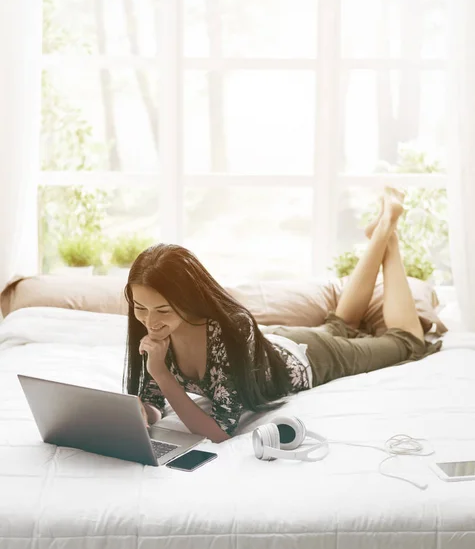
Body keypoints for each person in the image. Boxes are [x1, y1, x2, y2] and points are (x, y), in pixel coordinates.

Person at [122, 187, 443, 443]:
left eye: (162, 309)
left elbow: (219, 432)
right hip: (276, 344)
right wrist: (140, 413)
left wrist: (163, 375)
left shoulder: (226, 330)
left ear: (188, 299)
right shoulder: (154, 333)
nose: (150, 321)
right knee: (339, 325)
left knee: (407, 342)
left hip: (312, 359)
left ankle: (389, 231)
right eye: (140, 308)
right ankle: (381, 232)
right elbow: (153, 400)